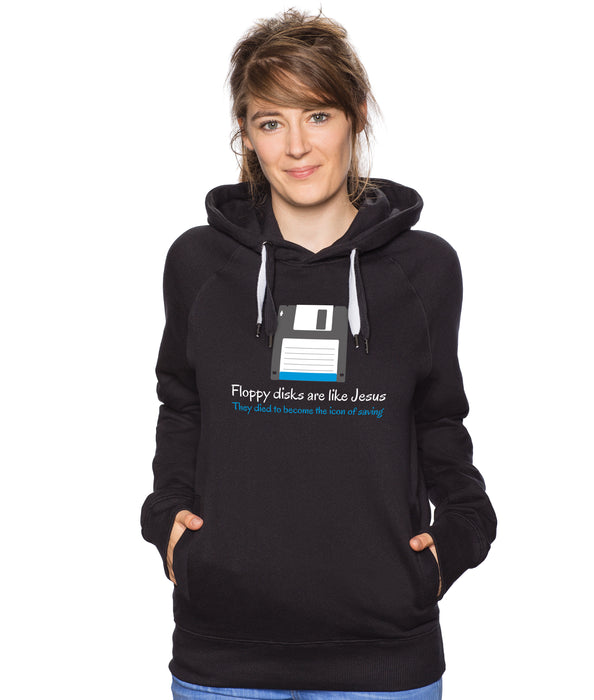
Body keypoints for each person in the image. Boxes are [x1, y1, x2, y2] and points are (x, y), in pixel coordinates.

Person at [140, 8, 497, 699]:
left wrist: (461, 533)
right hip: (224, 657)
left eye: (318, 115)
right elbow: (181, 405)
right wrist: (168, 522)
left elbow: (439, 419)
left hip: (384, 660)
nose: (297, 146)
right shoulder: (199, 263)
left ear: (356, 117)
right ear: (246, 133)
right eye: (272, 122)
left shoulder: (424, 269)